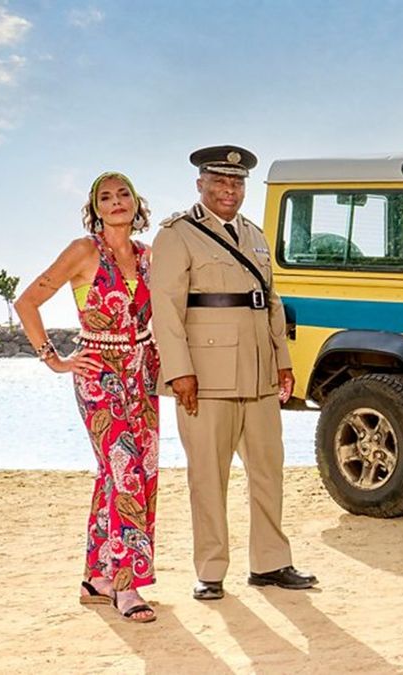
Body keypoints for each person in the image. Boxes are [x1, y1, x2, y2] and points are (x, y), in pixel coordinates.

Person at [151, 145, 317, 600]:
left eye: (237, 182)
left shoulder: (255, 235)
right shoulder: (177, 234)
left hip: (260, 373)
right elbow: (165, 309)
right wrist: (179, 372)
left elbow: (271, 300)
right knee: (208, 476)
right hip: (206, 377)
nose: (229, 190)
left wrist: (283, 359)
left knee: (269, 470)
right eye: (220, 181)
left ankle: (270, 563)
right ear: (200, 185)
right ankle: (210, 570)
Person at [14, 172, 160, 623]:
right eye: (106, 197)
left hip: (141, 375)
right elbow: (27, 302)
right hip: (98, 375)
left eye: (124, 194)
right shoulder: (84, 251)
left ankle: (96, 578)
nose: (116, 202)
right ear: (95, 208)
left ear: (137, 203)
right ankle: (127, 586)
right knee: (125, 471)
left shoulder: (148, 255)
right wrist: (54, 359)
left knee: (132, 472)